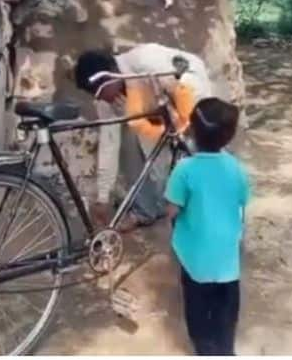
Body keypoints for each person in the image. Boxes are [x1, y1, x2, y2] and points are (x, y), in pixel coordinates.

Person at [74, 43, 213, 232]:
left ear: (110, 75)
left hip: (190, 89)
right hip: (155, 110)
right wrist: (103, 198)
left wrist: (181, 122)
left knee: (197, 146)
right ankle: (145, 210)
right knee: (127, 142)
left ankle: (209, 202)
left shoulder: (145, 61)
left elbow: (186, 87)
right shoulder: (105, 101)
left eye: (99, 92)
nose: (99, 98)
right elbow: (109, 144)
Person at [164, 97, 250, 355]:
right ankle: (226, 350)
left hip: (195, 258)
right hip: (227, 259)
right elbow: (242, 201)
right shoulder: (236, 167)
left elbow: (172, 209)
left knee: (198, 310)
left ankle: (205, 349)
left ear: (192, 130)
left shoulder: (184, 168)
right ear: (229, 137)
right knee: (226, 314)